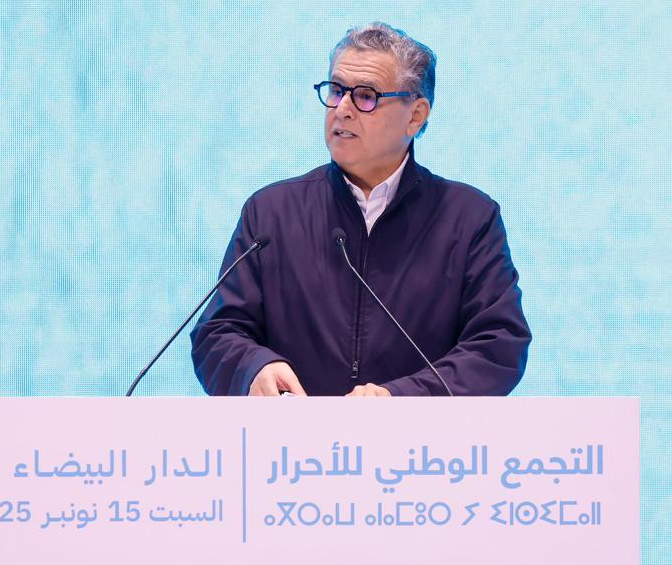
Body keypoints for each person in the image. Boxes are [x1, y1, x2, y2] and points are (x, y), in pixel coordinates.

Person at [190, 22, 531, 396]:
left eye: (366, 96)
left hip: (419, 435)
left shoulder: (469, 220)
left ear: (415, 116)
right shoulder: (270, 214)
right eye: (336, 90)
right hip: (291, 432)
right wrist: (253, 368)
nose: (343, 109)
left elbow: (498, 346)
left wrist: (403, 397)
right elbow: (217, 333)